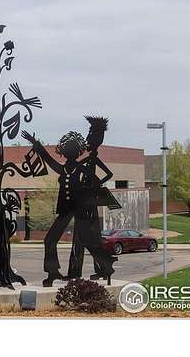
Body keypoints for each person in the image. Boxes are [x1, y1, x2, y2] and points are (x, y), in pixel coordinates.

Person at [22, 130, 87, 287]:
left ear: (77, 152)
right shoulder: (62, 169)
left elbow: (94, 182)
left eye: (72, 149)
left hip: (79, 209)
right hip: (65, 209)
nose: (69, 152)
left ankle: (75, 275)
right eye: (67, 149)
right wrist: (35, 143)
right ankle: (53, 271)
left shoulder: (82, 168)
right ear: (63, 152)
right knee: (49, 240)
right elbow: (47, 158)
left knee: (78, 243)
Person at [69, 116, 120, 281]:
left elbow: (108, 174)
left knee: (85, 238)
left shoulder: (93, 159)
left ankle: (99, 269)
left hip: (88, 203)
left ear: (96, 138)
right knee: (85, 238)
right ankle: (82, 271)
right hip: (85, 202)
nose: (87, 137)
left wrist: (96, 183)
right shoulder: (88, 160)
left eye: (90, 133)